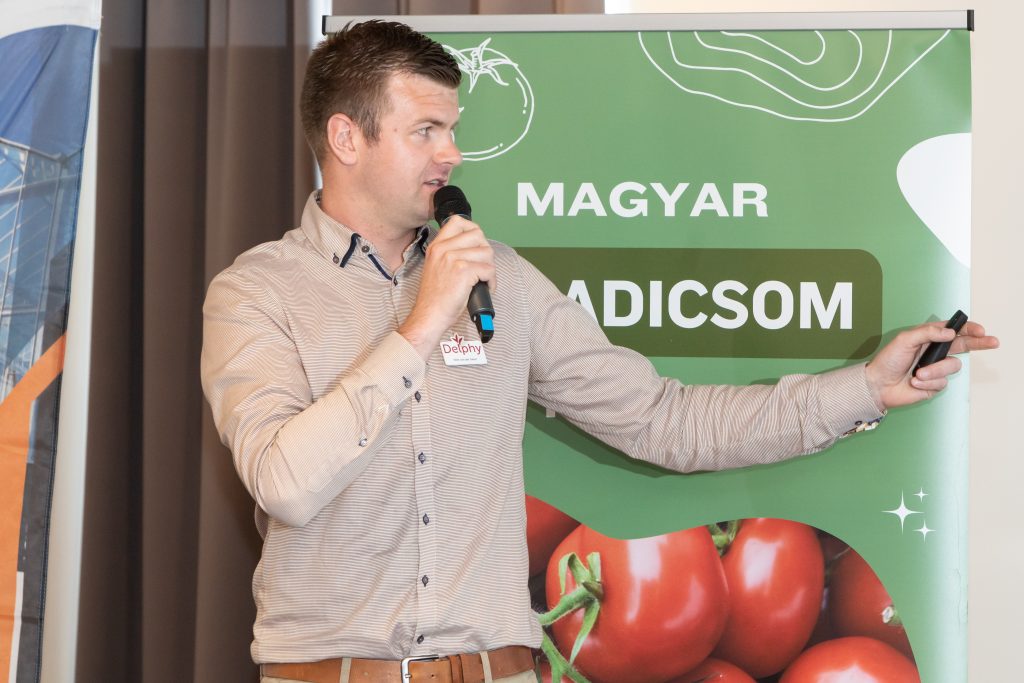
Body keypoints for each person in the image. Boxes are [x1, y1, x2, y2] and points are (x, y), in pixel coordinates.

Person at [200, 19, 998, 683]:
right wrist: (423, 323)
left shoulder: (503, 279)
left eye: (453, 129)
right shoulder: (257, 293)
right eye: (426, 131)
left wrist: (866, 387)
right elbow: (284, 482)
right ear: (346, 137)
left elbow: (664, 420)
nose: (453, 154)